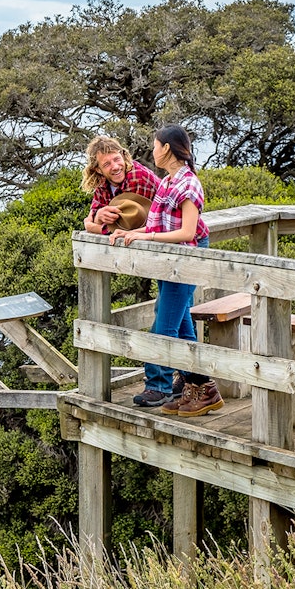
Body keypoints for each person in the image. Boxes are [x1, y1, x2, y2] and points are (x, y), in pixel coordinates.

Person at [108, 124, 223, 417]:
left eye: (155, 145)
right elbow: (159, 224)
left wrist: (147, 237)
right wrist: (127, 232)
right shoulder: (167, 181)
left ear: (167, 148)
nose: (153, 150)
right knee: (182, 324)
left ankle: (184, 387)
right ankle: (201, 389)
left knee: (164, 327)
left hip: (185, 259)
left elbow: (187, 232)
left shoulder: (188, 184)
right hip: (168, 260)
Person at [81, 136, 160, 234]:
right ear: (98, 170)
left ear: (123, 156)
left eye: (117, 159)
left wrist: (92, 227)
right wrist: (98, 215)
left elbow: (126, 226)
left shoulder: (136, 177)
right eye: (107, 164)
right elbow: (94, 214)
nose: (115, 167)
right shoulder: (102, 181)